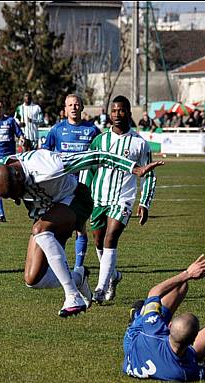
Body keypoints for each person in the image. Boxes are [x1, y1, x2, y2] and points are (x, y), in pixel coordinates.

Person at [0, 149, 164, 318]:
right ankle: (78, 278)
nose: (14, 201)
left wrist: (134, 168)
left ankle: (72, 296)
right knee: (32, 279)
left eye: (16, 194)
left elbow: (95, 156)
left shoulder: (49, 166)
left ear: (19, 175)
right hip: (48, 213)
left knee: (39, 229)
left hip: (76, 201)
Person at [81, 95, 157, 304]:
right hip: (98, 198)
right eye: (113, 111)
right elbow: (88, 168)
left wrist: (144, 203)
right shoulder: (100, 140)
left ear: (129, 113)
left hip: (123, 199)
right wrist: (82, 195)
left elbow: (148, 174)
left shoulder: (140, 144)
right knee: (98, 240)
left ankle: (100, 288)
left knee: (111, 237)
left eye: (121, 110)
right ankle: (113, 276)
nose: (117, 114)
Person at [123, 255, 205, 382]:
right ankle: (138, 314)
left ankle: (139, 315)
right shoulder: (183, 372)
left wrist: (188, 274)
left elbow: (154, 292)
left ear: (168, 326)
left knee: (181, 285)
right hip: (165, 350)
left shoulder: (152, 330)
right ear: (193, 340)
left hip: (134, 344)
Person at [42, 94, 101, 272]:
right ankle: (58, 264)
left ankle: (78, 266)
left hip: (83, 186)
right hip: (61, 185)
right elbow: (45, 153)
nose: (74, 107)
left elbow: (100, 153)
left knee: (80, 226)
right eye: (70, 105)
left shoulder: (92, 130)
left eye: (77, 104)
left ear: (82, 107)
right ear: (65, 109)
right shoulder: (57, 130)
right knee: (58, 226)